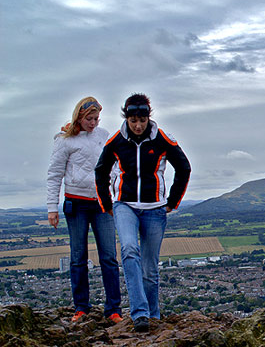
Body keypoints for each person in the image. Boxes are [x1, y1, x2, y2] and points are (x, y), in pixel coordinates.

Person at [94, 94, 188, 330]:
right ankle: (139, 314)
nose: (137, 125)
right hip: (124, 205)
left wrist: (172, 202)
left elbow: (184, 168)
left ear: (149, 117)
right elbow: (100, 171)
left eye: (142, 120)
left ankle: (153, 316)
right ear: (126, 118)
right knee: (128, 250)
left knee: (149, 267)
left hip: (155, 208)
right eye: (133, 120)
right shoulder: (116, 141)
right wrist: (108, 205)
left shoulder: (162, 139)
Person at [43, 97, 121, 323]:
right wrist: (52, 208)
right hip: (75, 203)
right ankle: (81, 308)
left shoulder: (104, 136)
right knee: (78, 257)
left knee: (109, 257)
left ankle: (113, 309)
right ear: (79, 116)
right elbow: (54, 174)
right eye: (89, 118)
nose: (94, 123)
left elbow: (115, 165)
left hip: (101, 203)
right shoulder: (65, 140)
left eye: (97, 118)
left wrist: (113, 193)